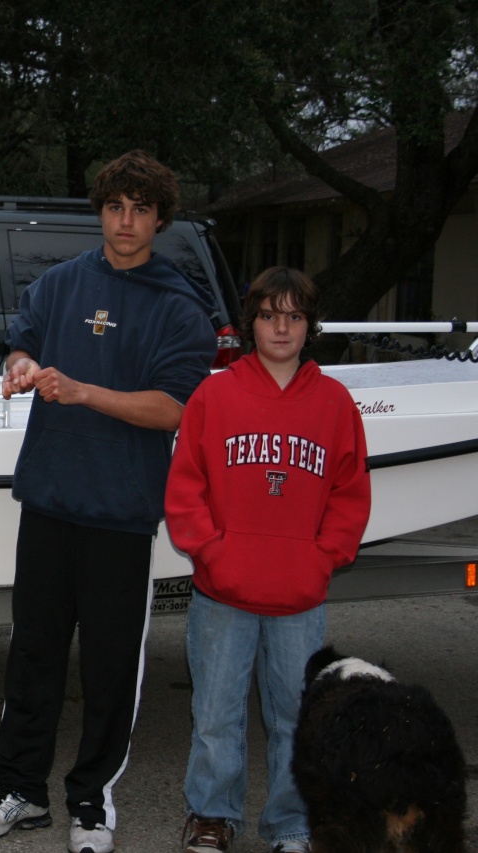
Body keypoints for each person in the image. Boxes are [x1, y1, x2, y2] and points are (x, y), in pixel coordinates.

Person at [0, 150, 217, 853]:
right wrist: (18, 367)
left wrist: (81, 391)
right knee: (31, 655)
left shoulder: (178, 304)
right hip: (47, 503)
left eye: (140, 208)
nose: (125, 221)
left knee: (109, 666)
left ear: (159, 218)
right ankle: (19, 789)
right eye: (114, 206)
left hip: (120, 516)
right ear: (100, 211)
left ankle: (92, 800)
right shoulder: (59, 284)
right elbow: (25, 346)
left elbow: (173, 409)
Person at [166, 267, 371, 853]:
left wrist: (322, 558)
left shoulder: (333, 403)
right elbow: (185, 486)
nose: (281, 327)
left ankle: (291, 824)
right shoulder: (215, 393)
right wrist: (212, 551)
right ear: (251, 322)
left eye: (295, 316)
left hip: (299, 598)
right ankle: (211, 814)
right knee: (214, 715)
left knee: (295, 717)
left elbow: (349, 493)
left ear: (310, 326)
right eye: (269, 315)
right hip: (222, 593)